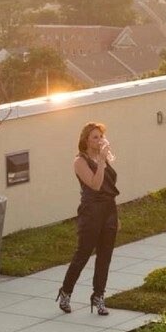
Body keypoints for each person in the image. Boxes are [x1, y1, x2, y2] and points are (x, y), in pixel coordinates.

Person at [56, 121, 119, 316]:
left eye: (101, 136)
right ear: (86, 140)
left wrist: (115, 216)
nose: (99, 140)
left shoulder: (104, 158)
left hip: (109, 211)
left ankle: (98, 296)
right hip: (91, 212)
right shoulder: (80, 161)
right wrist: (100, 160)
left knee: (105, 257)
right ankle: (66, 291)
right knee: (83, 254)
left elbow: (109, 188)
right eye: (95, 137)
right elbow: (96, 185)